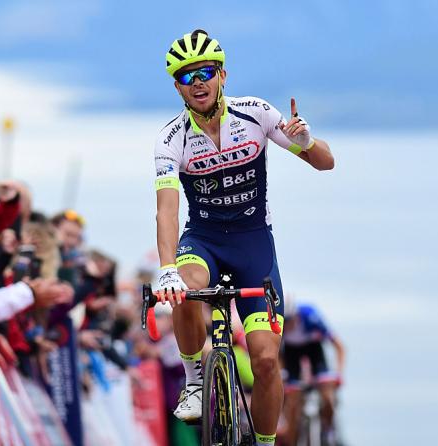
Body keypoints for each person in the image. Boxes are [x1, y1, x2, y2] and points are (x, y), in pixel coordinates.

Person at [153, 29, 334, 446]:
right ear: (177, 86)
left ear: (223, 75)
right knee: (183, 286)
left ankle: (265, 442)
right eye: (186, 76)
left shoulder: (256, 114)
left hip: (253, 245)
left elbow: (325, 163)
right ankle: (195, 379)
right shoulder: (169, 139)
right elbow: (166, 209)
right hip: (203, 241)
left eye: (205, 72)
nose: (197, 82)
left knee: (267, 362)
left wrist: (307, 142)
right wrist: (166, 269)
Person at [282, 301, 345, 445]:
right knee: (292, 403)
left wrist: (339, 374)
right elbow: (279, 357)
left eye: (290, 321)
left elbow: (339, 346)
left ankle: (328, 430)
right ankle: (291, 440)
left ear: (296, 316)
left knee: (327, 396)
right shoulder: (280, 328)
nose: (288, 326)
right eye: (285, 323)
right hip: (291, 356)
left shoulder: (311, 318)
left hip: (315, 352)